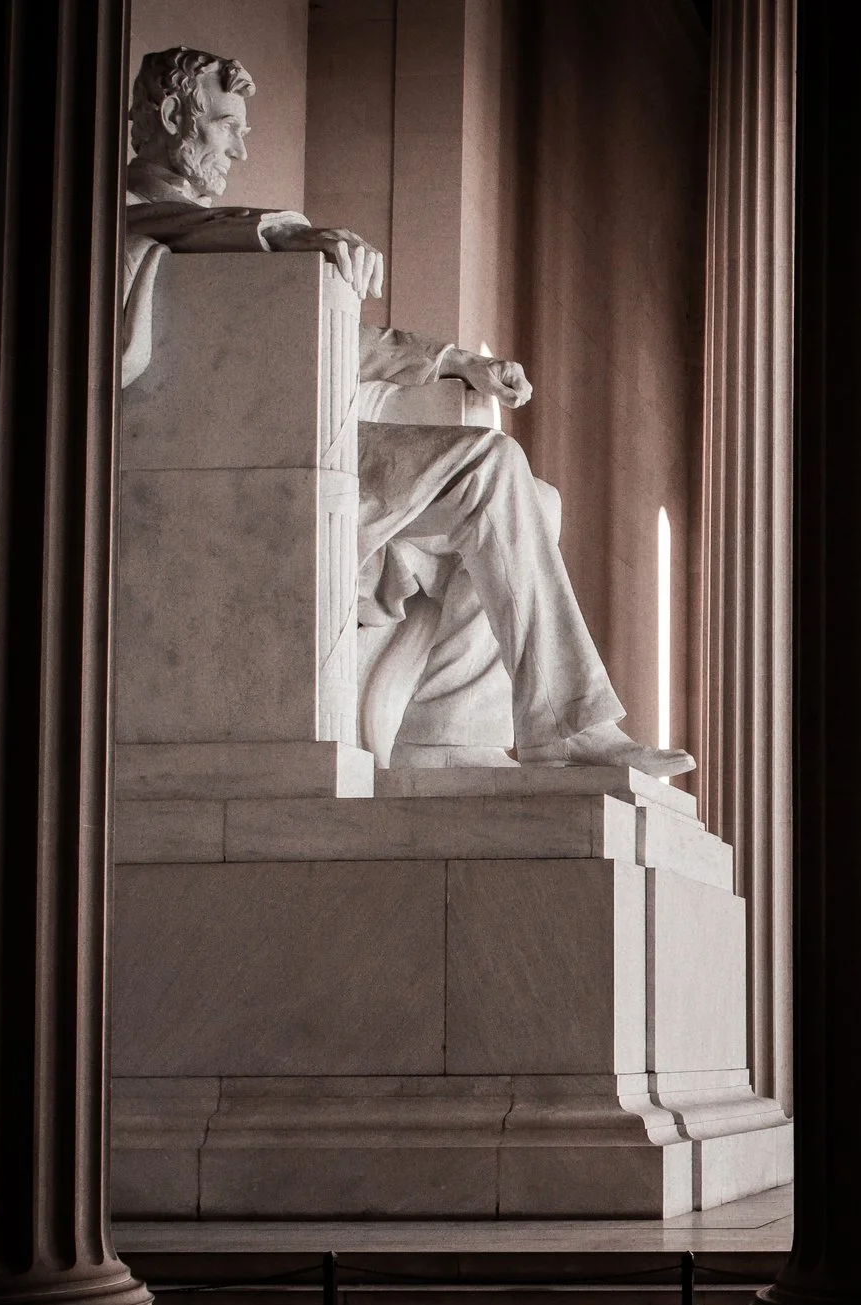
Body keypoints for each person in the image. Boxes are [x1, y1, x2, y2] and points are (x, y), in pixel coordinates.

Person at [118, 47, 690, 778]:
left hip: (289, 446)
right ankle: (568, 724)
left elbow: (335, 342)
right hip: (235, 464)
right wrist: (287, 232)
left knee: (535, 505)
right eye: (228, 125)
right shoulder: (133, 225)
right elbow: (173, 231)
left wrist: (453, 361)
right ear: (174, 117)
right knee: (491, 466)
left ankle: (445, 735)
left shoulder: (214, 235)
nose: (241, 145)